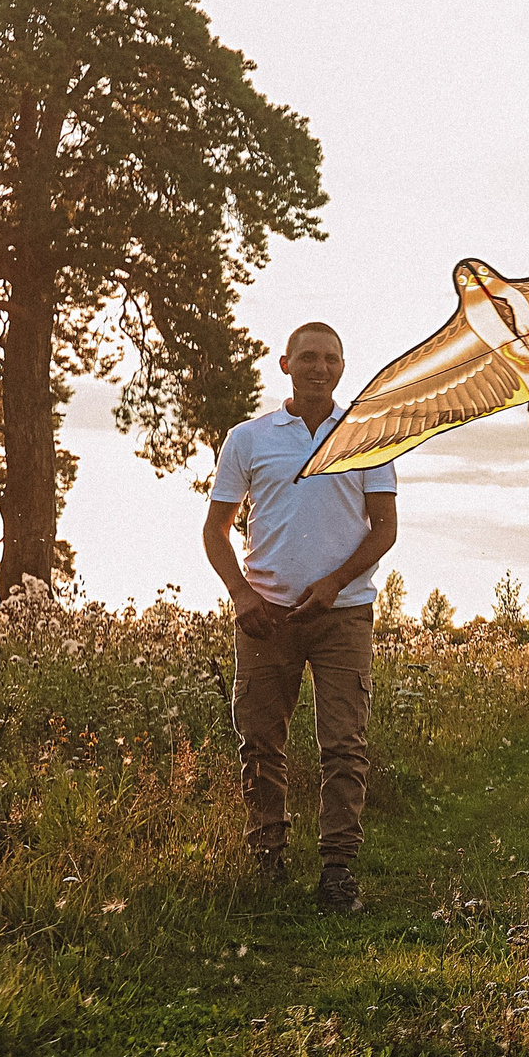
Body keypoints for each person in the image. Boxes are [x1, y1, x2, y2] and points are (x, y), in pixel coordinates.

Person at [202, 321, 398, 913]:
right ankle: (267, 862)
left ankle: (338, 870)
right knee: (261, 742)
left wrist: (335, 581)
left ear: (342, 367)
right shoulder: (248, 439)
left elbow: (384, 527)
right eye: (307, 357)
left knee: (344, 743)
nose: (319, 367)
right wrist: (242, 597)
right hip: (266, 618)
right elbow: (216, 531)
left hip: (344, 615)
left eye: (330, 359)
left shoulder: (369, 436)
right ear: (285, 363)